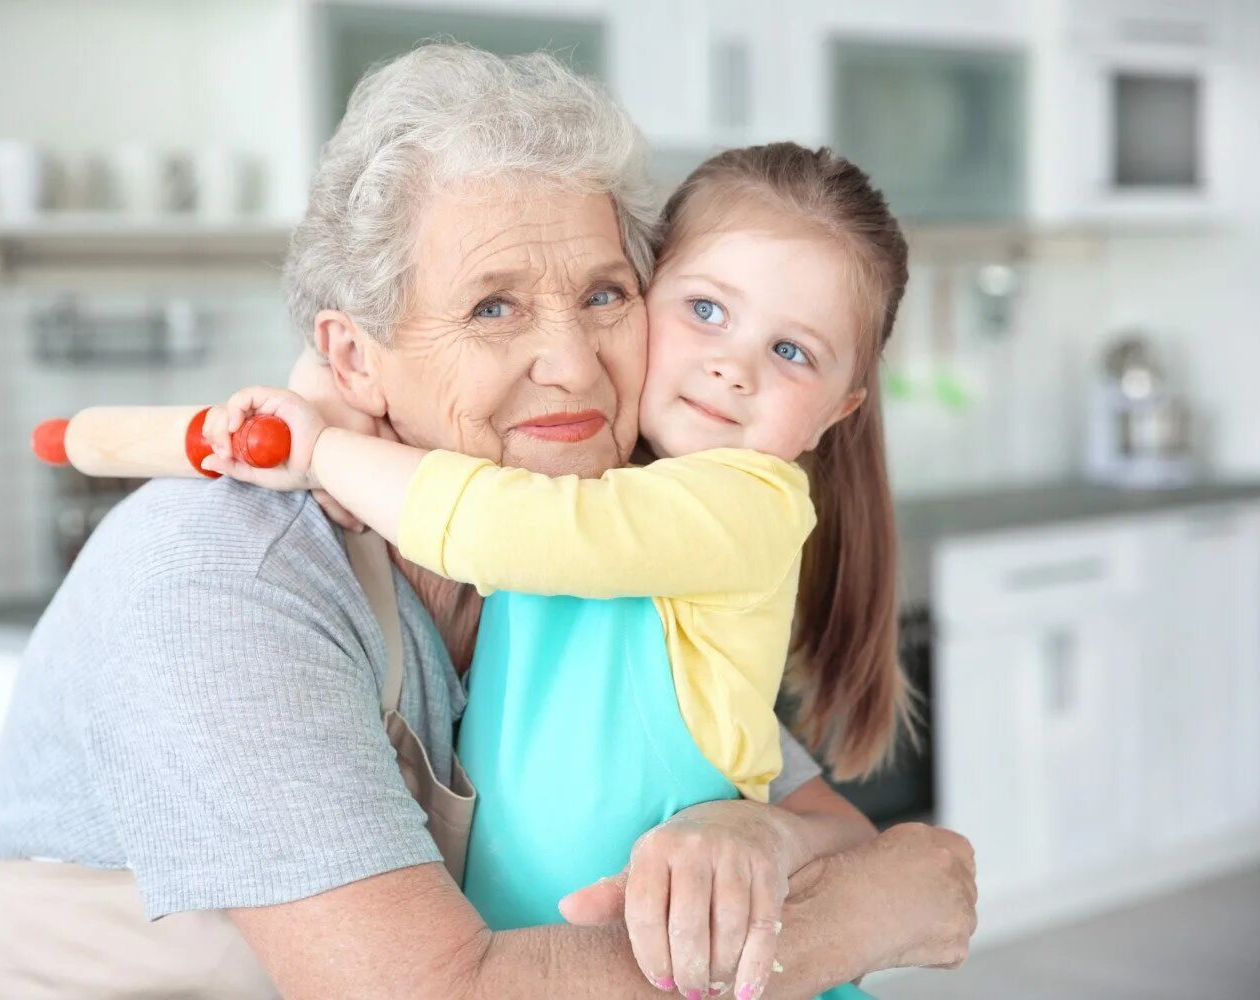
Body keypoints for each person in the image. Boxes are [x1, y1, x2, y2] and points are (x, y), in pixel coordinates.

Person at [0, 45, 975, 999]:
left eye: (603, 293)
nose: (572, 361)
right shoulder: (224, 575)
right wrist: (865, 916)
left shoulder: (583, 545)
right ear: (354, 354)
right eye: (493, 306)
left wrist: (754, 831)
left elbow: (825, 822)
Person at [204, 142, 911, 1000]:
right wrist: (336, 377)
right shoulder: (611, 480)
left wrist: (323, 450)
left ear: (838, 409)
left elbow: (505, 527)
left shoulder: (745, 504)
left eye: (793, 352)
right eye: (706, 310)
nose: (735, 365)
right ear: (648, 303)